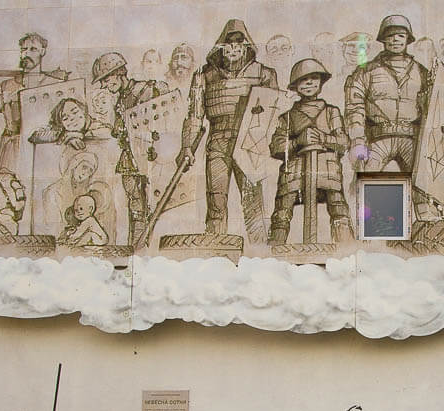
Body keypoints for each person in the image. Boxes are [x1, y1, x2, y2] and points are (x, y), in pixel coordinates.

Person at [178, 20, 279, 241]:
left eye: (238, 43)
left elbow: (273, 112)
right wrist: (187, 146)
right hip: (218, 140)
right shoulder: (204, 75)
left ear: (246, 45)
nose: (233, 48)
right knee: (216, 200)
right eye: (229, 43)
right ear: (221, 46)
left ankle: (259, 252)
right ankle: (215, 248)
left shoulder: (264, 73)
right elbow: (195, 115)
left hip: (250, 142)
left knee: (253, 203)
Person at [345, 15, 441, 222]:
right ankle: (373, 234)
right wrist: (358, 140)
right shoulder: (365, 71)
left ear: (408, 39)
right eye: (390, 36)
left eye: (400, 35)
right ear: (383, 39)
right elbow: (355, 107)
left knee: (423, 186)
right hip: (378, 138)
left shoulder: (422, 73)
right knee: (367, 182)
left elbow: (434, 109)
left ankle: (429, 229)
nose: (396, 40)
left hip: (411, 139)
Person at [268, 59, 354, 245]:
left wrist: (323, 139)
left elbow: (343, 142)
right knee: (281, 214)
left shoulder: (332, 112)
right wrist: (298, 141)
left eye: (313, 78)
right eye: (303, 80)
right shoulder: (288, 117)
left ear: (321, 83)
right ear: (295, 86)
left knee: (339, 211)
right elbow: (276, 146)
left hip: (327, 170)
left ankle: (348, 251)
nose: (308, 83)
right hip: (295, 171)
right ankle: (272, 255)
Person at [91, 51, 167, 247]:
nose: (106, 85)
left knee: (154, 202)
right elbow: (118, 130)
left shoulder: (145, 90)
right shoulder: (120, 100)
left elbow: (162, 118)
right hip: (130, 156)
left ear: (119, 72)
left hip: (151, 155)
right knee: (135, 203)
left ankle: (145, 247)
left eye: (107, 79)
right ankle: (136, 245)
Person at [0, 32, 69, 170]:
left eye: (33, 49)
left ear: (42, 51)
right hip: (12, 151)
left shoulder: (54, 84)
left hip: (45, 151)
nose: (26, 54)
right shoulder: (7, 86)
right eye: (23, 49)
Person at [27, 97, 108, 151]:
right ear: (61, 124)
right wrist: (66, 136)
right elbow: (34, 136)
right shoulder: (64, 133)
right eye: (65, 118)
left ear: (83, 111)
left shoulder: (96, 125)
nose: (72, 118)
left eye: (75, 112)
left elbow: (108, 133)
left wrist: (78, 136)